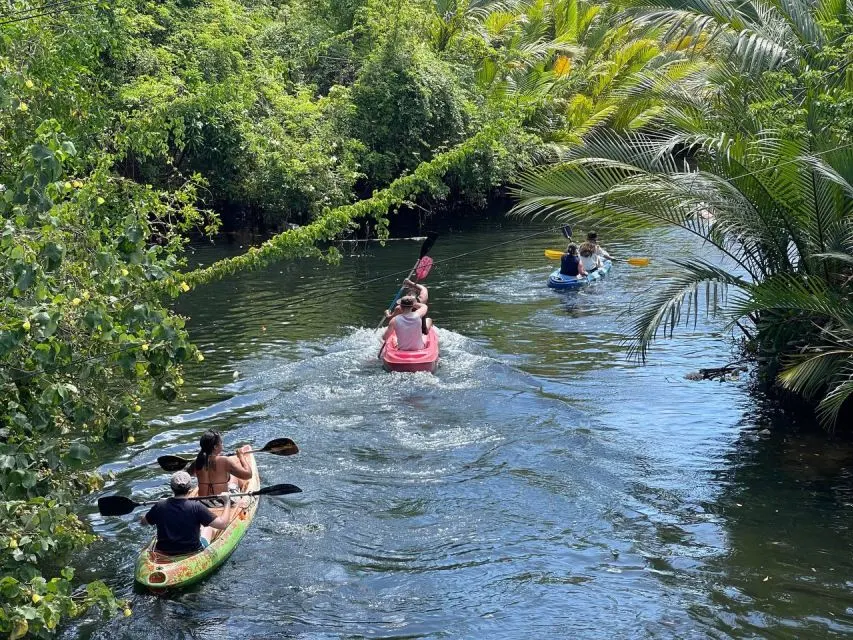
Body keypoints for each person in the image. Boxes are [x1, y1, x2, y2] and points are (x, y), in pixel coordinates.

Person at [140, 471, 232, 555]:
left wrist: (144, 516)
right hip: (192, 551)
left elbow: (143, 522)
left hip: (163, 551)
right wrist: (227, 501)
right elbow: (223, 524)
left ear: (172, 488)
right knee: (208, 528)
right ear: (190, 489)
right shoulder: (197, 507)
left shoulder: (160, 505)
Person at [189, 430, 252, 499]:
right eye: (221, 442)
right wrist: (241, 456)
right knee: (234, 477)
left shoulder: (197, 461)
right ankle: (242, 490)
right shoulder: (225, 460)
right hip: (220, 502)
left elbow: (189, 474)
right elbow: (248, 475)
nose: (222, 444)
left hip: (202, 501)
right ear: (215, 447)